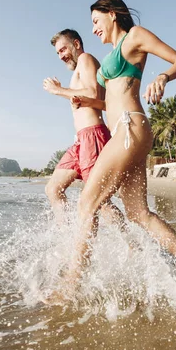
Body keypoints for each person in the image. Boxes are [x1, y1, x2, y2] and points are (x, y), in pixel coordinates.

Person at [49, 0, 176, 303]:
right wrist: (82, 100)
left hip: (128, 128)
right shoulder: (111, 54)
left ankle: (71, 286)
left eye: (97, 21)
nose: (94, 28)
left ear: (112, 15)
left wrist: (163, 77)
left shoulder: (134, 36)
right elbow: (108, 101)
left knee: (87, 204)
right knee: (138, 213)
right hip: (126, 130)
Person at [43, 29, 124, 226]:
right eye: (58, 53)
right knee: (53, 189)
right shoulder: (78, 70)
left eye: (63, 49)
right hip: (80, 140)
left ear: (76, 44)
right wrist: (66, 90)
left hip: (93, 136)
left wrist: (58, 90)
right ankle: (68, 235)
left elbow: (93, 94)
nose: (61, 56)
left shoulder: (86, 59)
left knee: (99, 201)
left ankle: (132, 243)